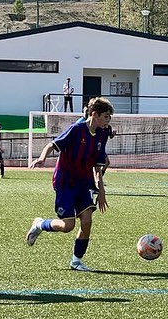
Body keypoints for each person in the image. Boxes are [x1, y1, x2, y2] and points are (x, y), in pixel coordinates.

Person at [25, 96, 114, 271]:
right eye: (106, 117)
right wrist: (42, 158)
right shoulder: (76, 129)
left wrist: (101, 190)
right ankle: (40, 224)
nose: (108, 121)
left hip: (84, 182)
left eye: (109, 118)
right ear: (94, 114)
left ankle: (76, 261)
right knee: (68, 226)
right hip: (65, 181)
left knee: (87, 221)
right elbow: (52, 145)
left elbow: (98, 165)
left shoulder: (102, 135)